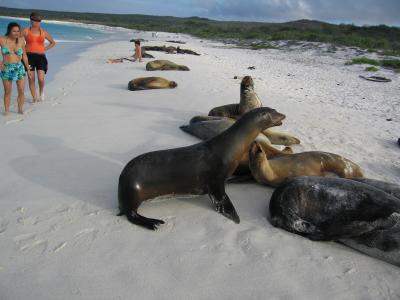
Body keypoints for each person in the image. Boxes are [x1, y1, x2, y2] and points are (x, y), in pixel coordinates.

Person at [22, 12, 56, 102]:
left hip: (41, 57)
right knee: (31, 78)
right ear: (31, 20)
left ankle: (41, 92)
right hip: (29, 57)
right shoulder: (25, 31)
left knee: (41, 79)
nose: (36, 22)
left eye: (38, 21)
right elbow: (16, 40)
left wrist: (44, 49)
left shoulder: (43, 32)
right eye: (34, 20)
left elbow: (53, 42)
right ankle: (34, 97)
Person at [0, 22, 32, 115]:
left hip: (19, 67)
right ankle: (6, 110)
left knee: (21, 90)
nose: (17, 33)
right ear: (9, 31)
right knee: (7, 91)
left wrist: (28, 69)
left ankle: (20, 109)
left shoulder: (21, 40)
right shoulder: (2, 39)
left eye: (18, 31)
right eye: (14, 31)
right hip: (6, 68)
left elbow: (24, 55)